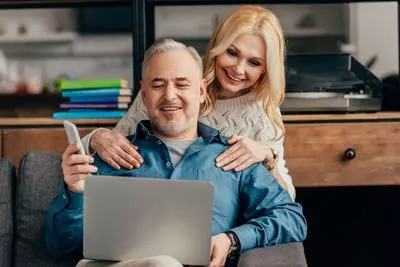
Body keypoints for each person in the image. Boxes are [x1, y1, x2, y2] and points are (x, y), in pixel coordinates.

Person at [45, 38, 307, 267]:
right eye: (158, 85)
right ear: (144, 94)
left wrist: (232, 239)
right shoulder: (112, 154)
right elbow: (60, 247)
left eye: (182, 84)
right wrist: (76, 193)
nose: (170, 96)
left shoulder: (235, 156)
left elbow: (292, 219)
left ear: (201, 91)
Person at [81, 5, 296, 200]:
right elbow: (115, 145)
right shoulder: (170, 82)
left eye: (254, 62)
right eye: (232, 53)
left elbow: (286, 200)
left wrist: (269, 157)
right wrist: (95, 138)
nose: (238, 69)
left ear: (266, 68)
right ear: (217, 46)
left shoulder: (263, 110)